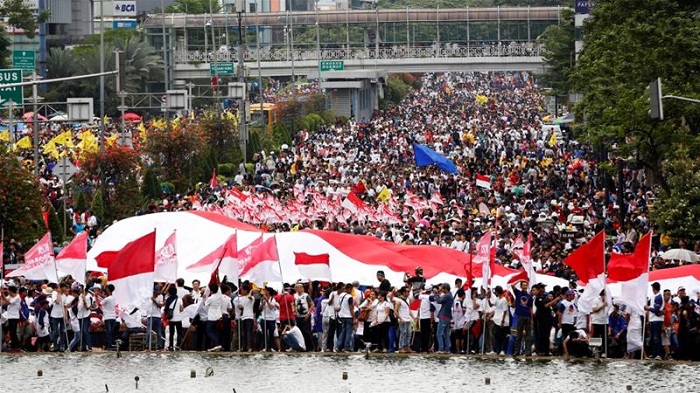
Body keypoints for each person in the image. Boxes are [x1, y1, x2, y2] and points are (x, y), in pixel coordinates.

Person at [512, 280, 533, 356]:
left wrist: (532, 319)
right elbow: (512, 285)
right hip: (520, 315)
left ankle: (528, 351)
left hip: (527, 316)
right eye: (523, 285)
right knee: (519, 334)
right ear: (521, 286)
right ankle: (517, 350)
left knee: (528, 335)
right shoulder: (518, 293)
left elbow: (530, 308)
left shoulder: (529, 296)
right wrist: (519, 280)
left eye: (526, 285)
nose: (525, 286)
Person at [431, 283, 453, 354]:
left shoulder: (447, 296)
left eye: (443, 288)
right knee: (446, 334)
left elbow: (438, 301)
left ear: (446, 289)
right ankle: (447, 349)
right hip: (447, 317)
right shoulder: (450, 295)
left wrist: (437, 293)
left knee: (439, 333)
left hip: (443, 316)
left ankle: (441, 349)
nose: (442, 290)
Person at [645, 281, 664, 360]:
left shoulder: (659, 297)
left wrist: (648, 308)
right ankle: (654, 353)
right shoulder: (653, 296)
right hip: (652, 320)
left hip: (657, 320)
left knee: (657, 338)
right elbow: (648, 303)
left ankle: (659, 354)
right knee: (652, 338)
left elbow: (656, 310)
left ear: (653, 288)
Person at [294, 282, 314, 351]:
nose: (298, 289)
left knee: (307, 331)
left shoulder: (306, 295)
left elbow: (312, 304)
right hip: (298, 316)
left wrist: (308, 313)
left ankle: (310, 347)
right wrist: (294, 311)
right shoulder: (295, 296)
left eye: (300, 288)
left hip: (305, 315)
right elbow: (293, 304)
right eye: (297, 288)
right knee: (299, 332)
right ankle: (301, 346)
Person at [335, 283, 355, 352]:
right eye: (351, 289)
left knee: (343, 331)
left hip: (342, 316)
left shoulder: (341, 295)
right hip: (348, 316)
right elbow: (351, 308)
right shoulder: (349, 297)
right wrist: (354, 318)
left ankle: (338, 346)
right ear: (349, 289)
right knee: (348, 332)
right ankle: (346, 347)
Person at [234, 283, 255, 352]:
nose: (241, 291)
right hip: (243, 316)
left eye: (242, 290)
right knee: (244, 333)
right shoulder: (241, 298)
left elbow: (249, 297)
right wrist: (240, 307)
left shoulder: (252, 298)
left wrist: (251, 291)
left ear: (246, 290)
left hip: (249, 316)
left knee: (249, 332)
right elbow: (241, 308)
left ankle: (249, 347)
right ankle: (244, 346)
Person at [164, 284, 184, 351]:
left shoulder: (168, 299)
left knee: (171, 333)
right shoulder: (179, 299)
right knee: (179, 333)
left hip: (171, 319)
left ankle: (171, 346)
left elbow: (165, 309)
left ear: (169, 292)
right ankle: (178, 345)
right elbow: (181, 309)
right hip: (178, 319)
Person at [491, 286, 510, 356]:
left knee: (502, 336)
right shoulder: (497, 299)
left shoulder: (504, 300)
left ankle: (502, 350)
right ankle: (496, 350)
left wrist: (502, 321)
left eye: (495, 291)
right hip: (496, 319)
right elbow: (492, 305)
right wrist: (487, 297)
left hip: (502, 320)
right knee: (496, 335)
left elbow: (505, 311)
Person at [1, 285, 21, 350]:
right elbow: (5, 301)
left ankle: (17, 345)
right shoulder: (10, 296)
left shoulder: (17, 297)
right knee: (11, 332)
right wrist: (2, 295)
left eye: (9, 290)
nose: (8, 292)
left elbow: (8, 302)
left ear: (11, 291)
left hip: (14, 316)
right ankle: (13, 345)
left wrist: (3, 295)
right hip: (10, 316)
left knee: (13, 332)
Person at [205, 282, 223, 352]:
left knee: (209, 331)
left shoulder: (211, 298)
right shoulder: (219, 295)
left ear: (211, 291)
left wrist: (204, 298)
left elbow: (205, 304)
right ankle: (215, 345)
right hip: (218, 315)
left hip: (211, 317)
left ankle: (216, 344)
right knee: (215, 331)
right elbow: (219, 288)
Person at [260, 287, 279, 351]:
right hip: (264, 318)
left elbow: (271, 307)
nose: (264, 292)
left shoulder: (273, 299)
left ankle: (271, 347)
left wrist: (267, 301)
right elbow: (260, 308)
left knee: (271, 333)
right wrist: (262, 303)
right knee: (264, 333)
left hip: (271, 318)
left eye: (265, 291)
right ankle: (264, 347)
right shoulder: (262, 299)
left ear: (268, 292)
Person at [146, 285, 164, 351]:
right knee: (148, 332)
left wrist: (154, 301)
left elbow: (160, 306)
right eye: (158, 291)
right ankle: (147, 347)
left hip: (158, 316)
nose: (160, 292)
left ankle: (159, 346)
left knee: (159, 333)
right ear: (155, 291)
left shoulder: (161, 296)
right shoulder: (149, 296)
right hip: (150, 316)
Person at [102, 284, 118, 350]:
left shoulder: (107, 299)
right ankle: (109, 345)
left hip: (107, 317)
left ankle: (109, 346)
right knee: (111, 332)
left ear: (108, 289)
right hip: (113, 317)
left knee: (108, 332)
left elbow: (101, 303)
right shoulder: (113, 298)